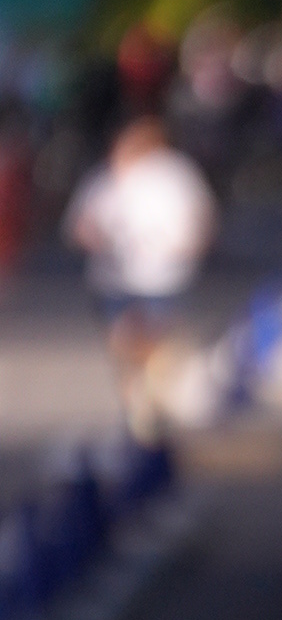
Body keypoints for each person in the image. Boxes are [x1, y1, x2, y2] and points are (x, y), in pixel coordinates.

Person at [64, 108, 216, 428]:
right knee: (124, 345)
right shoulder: (104, 178)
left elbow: (201, 217)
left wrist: (189, 246)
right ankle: (137, 405)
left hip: (164, 278)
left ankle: (155, 403)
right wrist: (95, 237)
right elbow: (79, 224)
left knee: (157, 347)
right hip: (113, 279)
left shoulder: (176, 175)